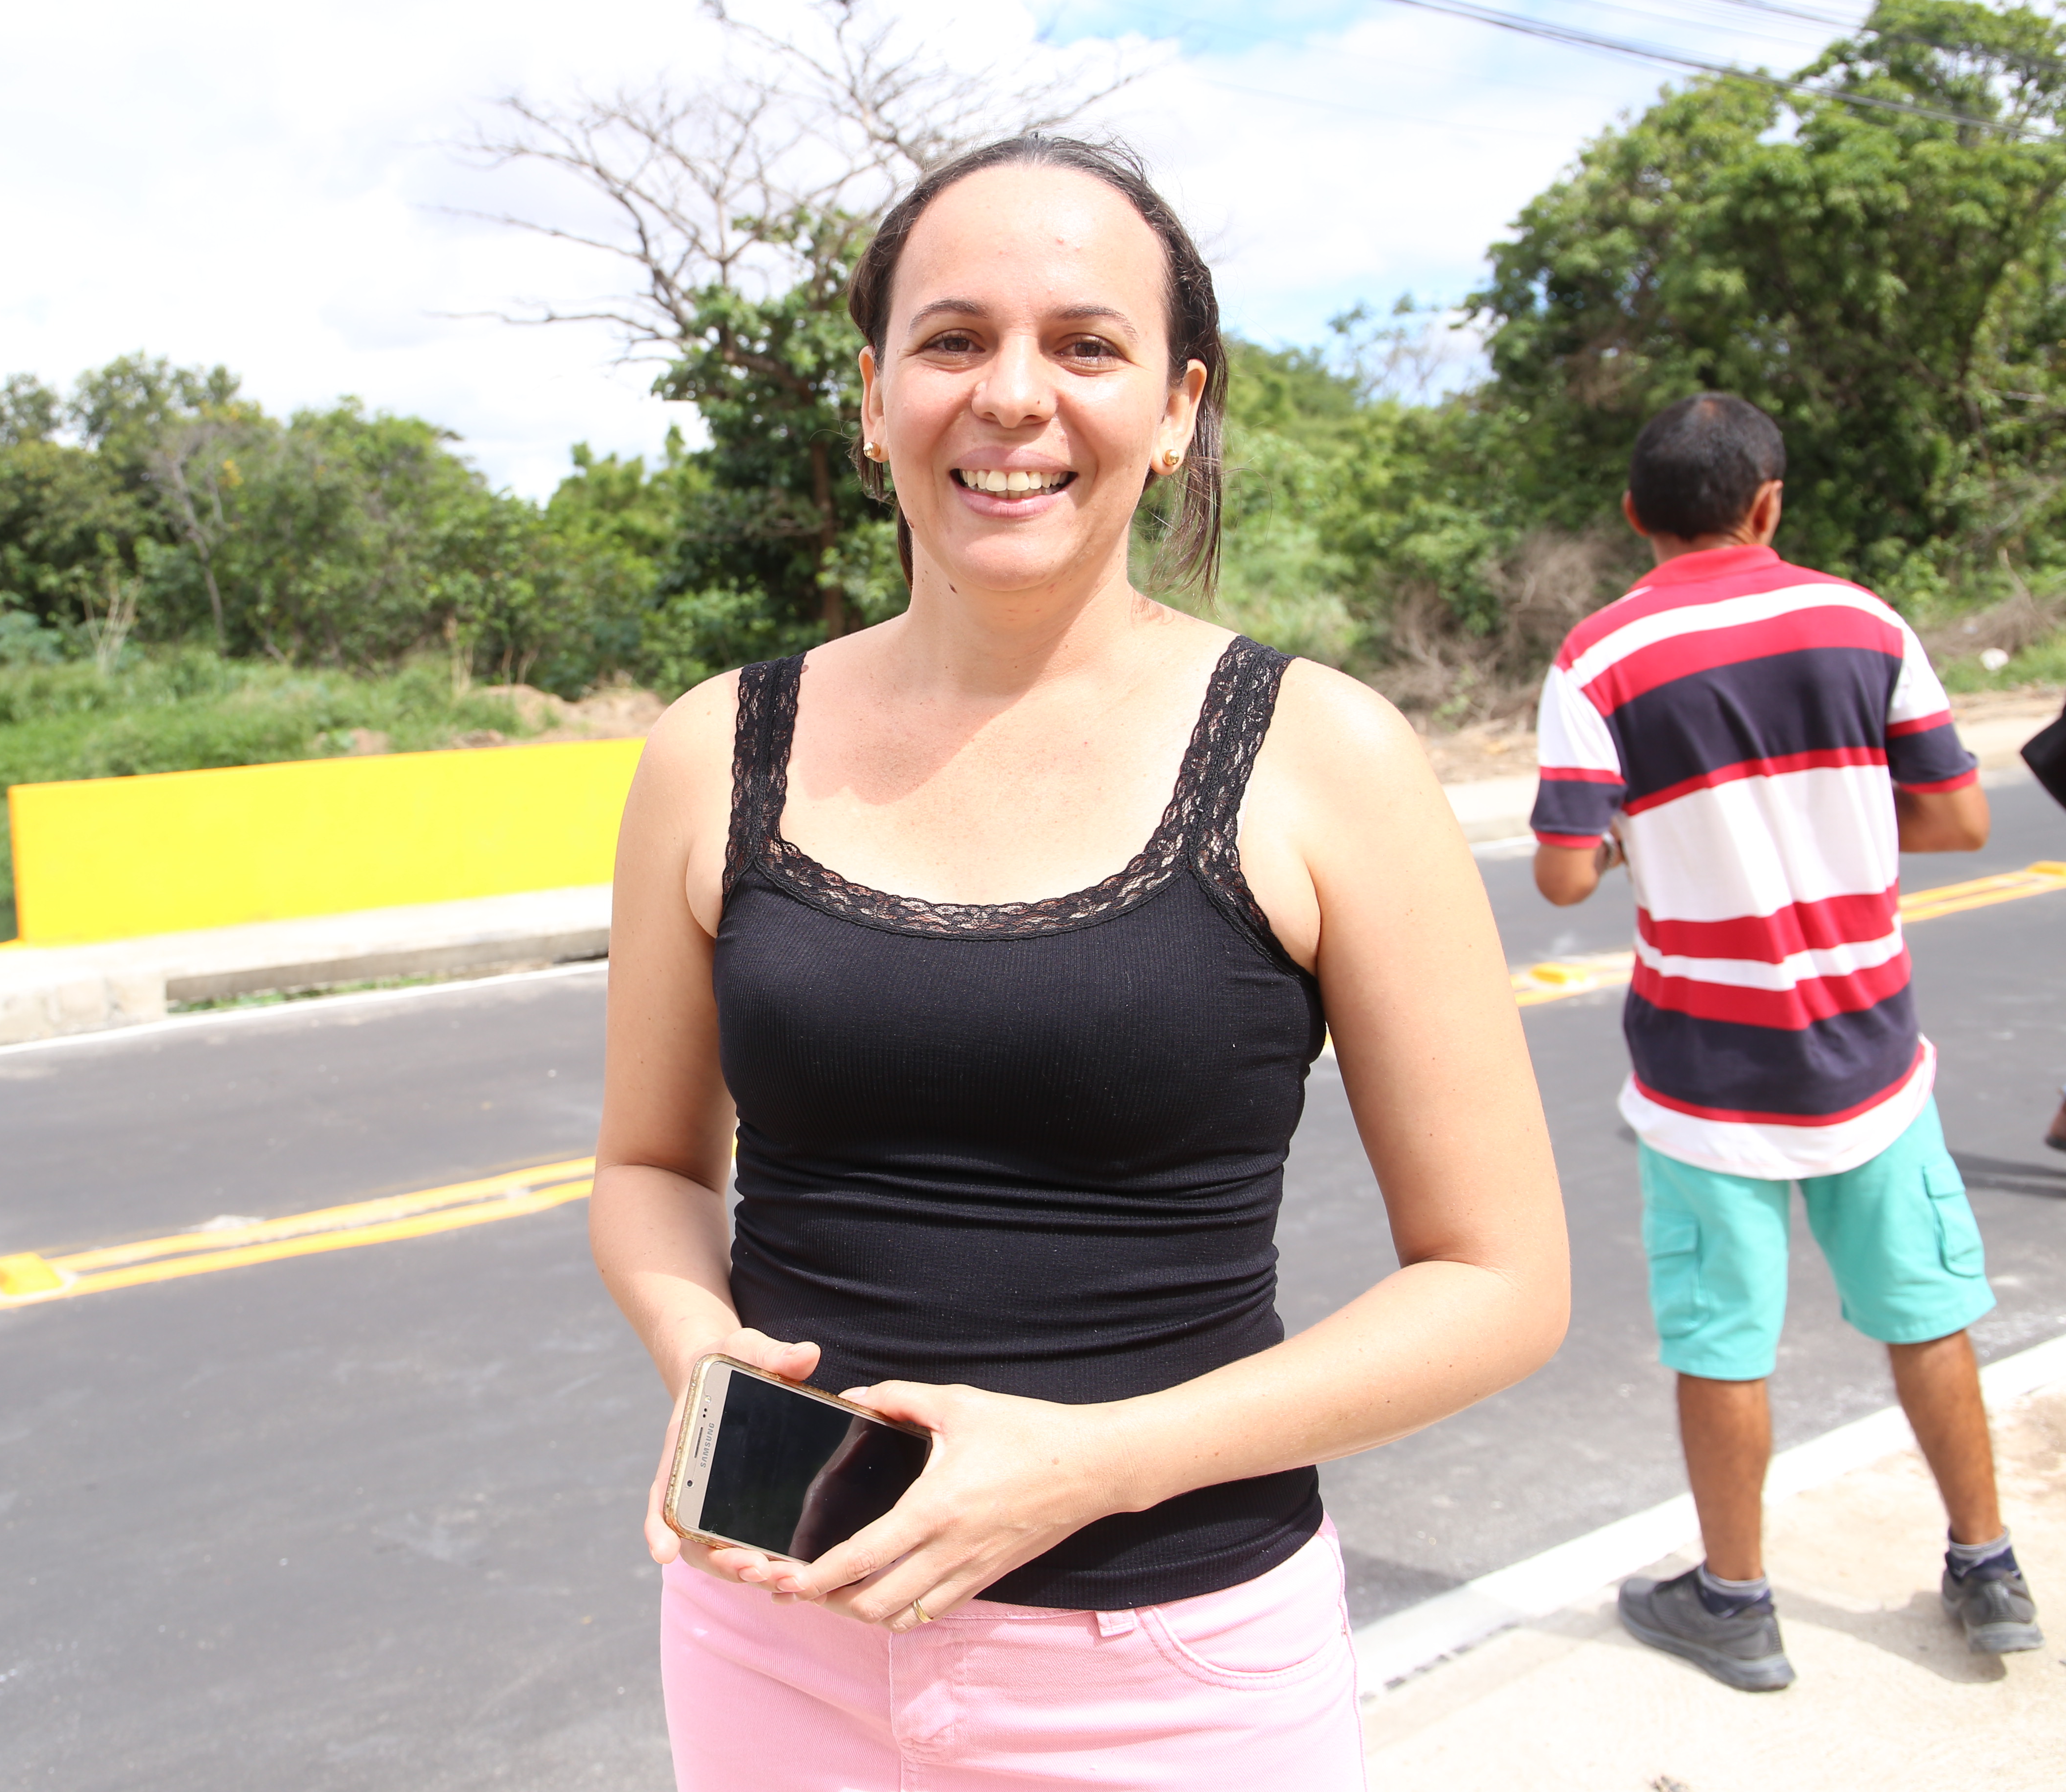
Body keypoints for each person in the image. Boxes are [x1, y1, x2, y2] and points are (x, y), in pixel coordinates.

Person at [591, 133, 1570, 1790]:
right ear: (874, 389)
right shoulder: (715, 750)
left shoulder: (1321, 756)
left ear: (1179, 406)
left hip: (1172, 1670)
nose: (1013, 395)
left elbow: (1499, 1283)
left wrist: (1097, 1464)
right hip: (776, 1625)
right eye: (954, 338)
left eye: (1087, 344)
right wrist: (705, 1354)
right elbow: (645, 1168)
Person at [1531, 392, 2043, 1690]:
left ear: (1636, 515)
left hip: (1708, 1075)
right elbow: (1959, 820)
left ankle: (1739, 1602)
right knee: (1927, 1316)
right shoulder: (1867, 621)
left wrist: (1641, 837)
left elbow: (1560, 877)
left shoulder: (1598, 659)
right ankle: (1988, 1570)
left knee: (1722, 1342)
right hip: (1873, 1057)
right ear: (1770, 504)